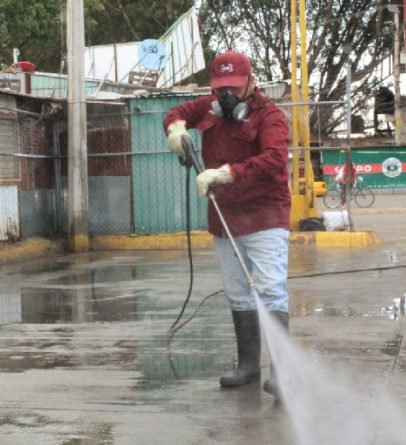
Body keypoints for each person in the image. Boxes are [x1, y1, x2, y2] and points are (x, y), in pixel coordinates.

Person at [163, 50, 291, 397]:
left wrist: (227, 173)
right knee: (238, 293)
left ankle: (282, 372)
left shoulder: (271, 117)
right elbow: (175, 113)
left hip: (265, 217)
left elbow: (275, 159)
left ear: (251, 82)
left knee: (269, 289)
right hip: (226, 218)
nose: (226, 97)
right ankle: (248, 366)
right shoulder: (208, 108)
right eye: (220, 89)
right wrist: (175, 129)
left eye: (233, 88)